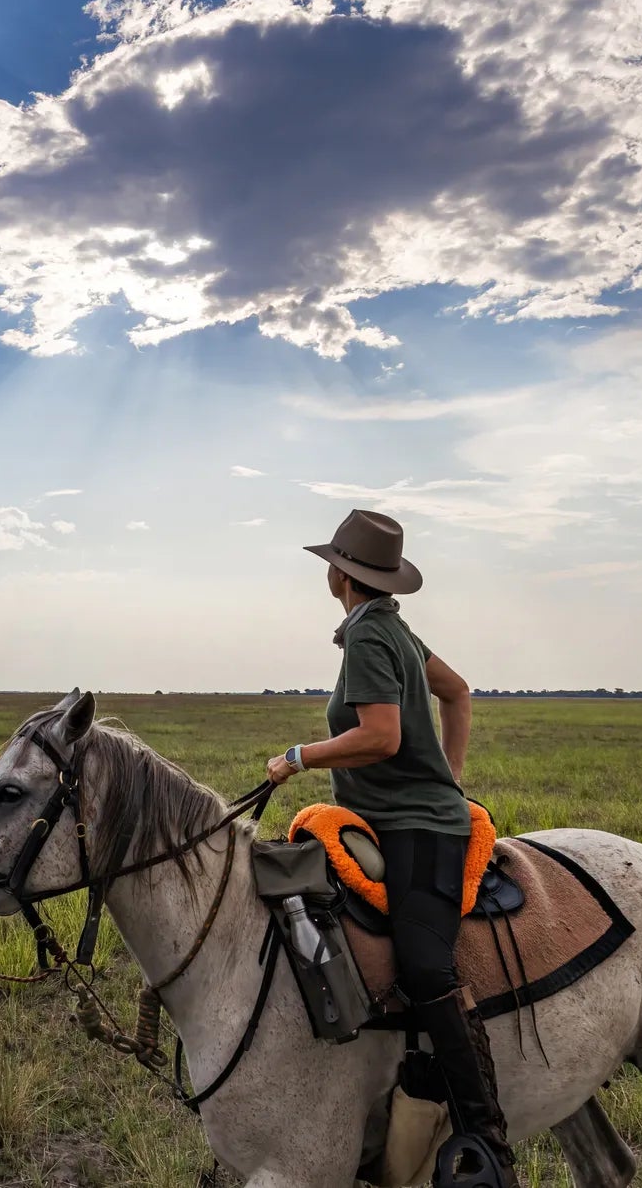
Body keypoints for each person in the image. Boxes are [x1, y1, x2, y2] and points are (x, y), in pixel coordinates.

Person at [265, 508, 515, 1185]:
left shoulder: (376, 636)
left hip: (418, 830)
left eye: (331, 562)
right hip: (391, 819)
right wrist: (452, 778)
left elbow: (382, 736)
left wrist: (300, 755)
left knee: (426, 966)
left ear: (339, 572)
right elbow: (458, 694)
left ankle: (486, 1138)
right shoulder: (386, 628)